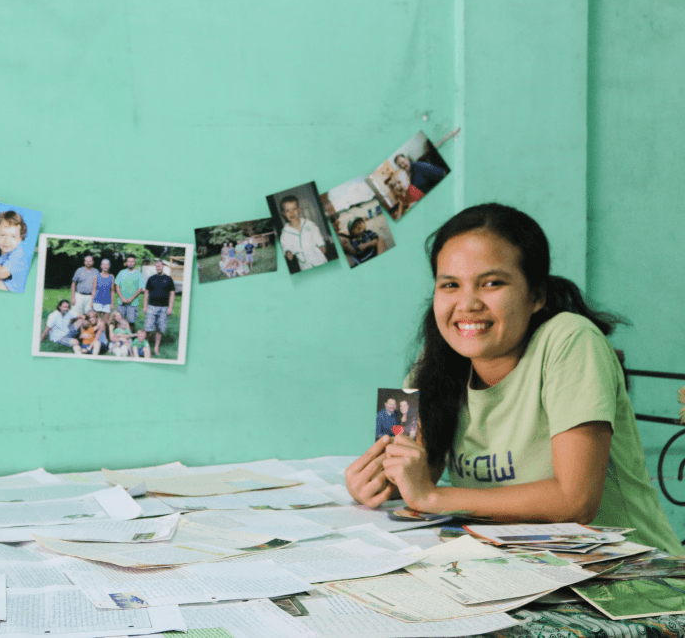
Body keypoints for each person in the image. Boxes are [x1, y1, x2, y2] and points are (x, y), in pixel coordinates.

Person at [345, 203, 683, 553]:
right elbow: (411, 475)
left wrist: (433, 496)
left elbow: (575, 501)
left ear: (536, 295)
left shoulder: (571, 340)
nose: (467, 303)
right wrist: (379, 483)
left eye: (491, 283)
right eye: (449, 285)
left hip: (631, 580)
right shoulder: (431, 364)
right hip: (515, 573)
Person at [278, 195, 328, 271]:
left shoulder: (308, 223)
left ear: (298, 210)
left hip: (317, 256)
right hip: (304, 263)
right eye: (287, 211)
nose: (291, 213)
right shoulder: (285, 233)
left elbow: (316, 234)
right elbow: (285, 245)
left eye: (294, 209)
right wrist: (287, 251)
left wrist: (321, 244)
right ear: (283, 213)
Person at [143, 260, 176, 357]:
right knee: (148, 327)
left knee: (160, 328)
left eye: (160, 266)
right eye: (157, 267)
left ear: (163, 266)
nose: (158, 268)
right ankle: (146, 345)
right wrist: (145, 306)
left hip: (164, 308)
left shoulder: (169, 279)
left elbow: (172, 294)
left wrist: (170, 307)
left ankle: (156, 347)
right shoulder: (151, 279)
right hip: (152, 307)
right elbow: (146, 293)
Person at [115, 254, 145, 332]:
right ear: (126, 263)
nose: (130, 263)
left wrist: (131, 299)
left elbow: (140, 288)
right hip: (121, 302)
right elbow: (117, 286)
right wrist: (122, 298)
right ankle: (119, 337)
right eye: (129, 261)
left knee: (131, 322)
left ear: (135, 263)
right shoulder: (121, 273)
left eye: (132, 261)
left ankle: (129, 338)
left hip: (133, 303)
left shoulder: (138, 274)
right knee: (119, 321)